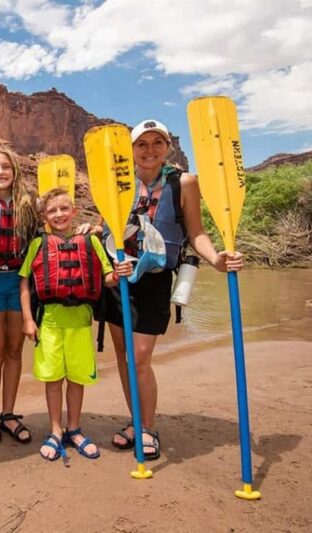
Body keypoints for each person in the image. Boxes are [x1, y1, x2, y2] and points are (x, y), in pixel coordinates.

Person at [102, 119, 244, 460]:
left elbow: (196, 232)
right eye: (142, 144)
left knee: (139, 357)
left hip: (154, 279)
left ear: (167, 147)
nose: (149, 150)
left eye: (157, 143)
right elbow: (107, 231)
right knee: (122, 356)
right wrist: (107, 267)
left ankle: (148, 428)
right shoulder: (117, 183)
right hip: (118, 278)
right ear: (132, 151)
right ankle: (135, 422)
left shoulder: (184, 183)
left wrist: (216, 260)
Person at [20, 188, 127, 461]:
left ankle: (74, 428)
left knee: (76, 379)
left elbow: (106, 277)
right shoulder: (37, 245)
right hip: (50, 324)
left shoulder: (90, 242)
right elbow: (24, 283)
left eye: (64, 209)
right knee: (53, 380)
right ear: (44, 216)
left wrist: (117, 275)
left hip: (80, 323)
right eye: (52, 211)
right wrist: (28, 319)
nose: (59, 215)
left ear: (74, 212)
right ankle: (55, 430)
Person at [0, 148, 38, 444]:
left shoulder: (28, 204)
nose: (0, 173)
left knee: (14, 349)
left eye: (5, 167)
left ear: (14, 170)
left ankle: (9, 413)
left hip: (18, 282)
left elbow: (54, 226)